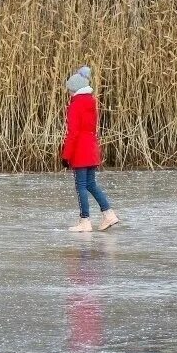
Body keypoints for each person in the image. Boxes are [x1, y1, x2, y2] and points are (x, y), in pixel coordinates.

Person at [61, 66, 119, 233]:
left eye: (70, 90)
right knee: (91, 184)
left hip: (80, 149)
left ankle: (85, 220)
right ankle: (108, 213)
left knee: (81, 185)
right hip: (91, 147)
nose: (69, 93)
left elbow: (73, 133)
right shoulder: (91, 102)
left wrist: (66, 155)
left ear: (75, 90)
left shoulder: (75, 106)